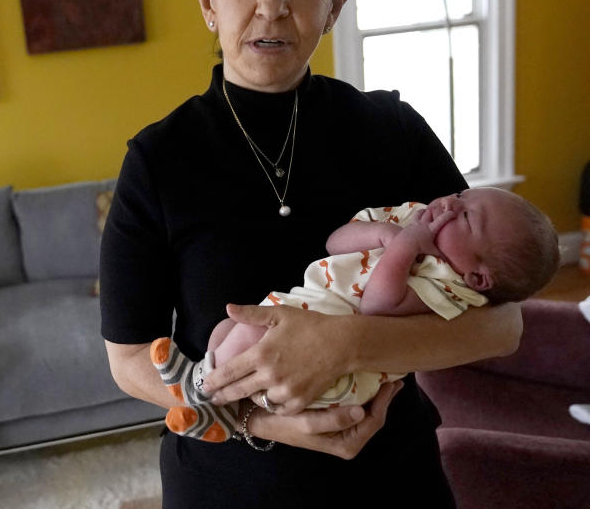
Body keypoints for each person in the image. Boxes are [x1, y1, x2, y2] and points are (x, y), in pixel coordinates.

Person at [99, 0, 526, 508]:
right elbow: (130, 357)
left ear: (336, 2)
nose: (272, 4)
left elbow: (503, 324)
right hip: (228, 483)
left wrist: (348, 345)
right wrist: (256, 418)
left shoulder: (392, 130)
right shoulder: (158, 160)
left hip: (391, 475)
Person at [151, 188, 559, 442]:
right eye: (463, 196)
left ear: (479, 277)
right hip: (304, 310)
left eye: (468, 217)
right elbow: (335, 242)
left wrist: (405, 248)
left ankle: (199, 391)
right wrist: (388, 234)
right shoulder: (412, 218)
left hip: (336, 376)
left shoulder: (450, 288)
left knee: (242, 338)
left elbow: (378, 307)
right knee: (228, 329)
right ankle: (214, 405)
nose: (451, 204)